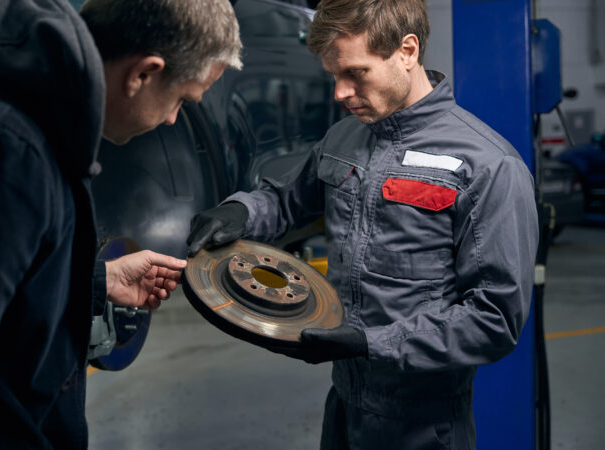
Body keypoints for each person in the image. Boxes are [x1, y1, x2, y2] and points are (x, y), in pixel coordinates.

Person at [0, 0, 241, 447]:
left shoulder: (30, 107)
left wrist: (94, 281)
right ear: (143, 73)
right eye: (182, 99)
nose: (173, 118)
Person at [187, 0, 538, 448]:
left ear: (407, 51)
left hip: (424, 428)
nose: (340, 92)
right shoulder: (344, 137)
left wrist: (371, 343)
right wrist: (240, 211)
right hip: (344, 408)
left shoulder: (488, 167)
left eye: (356, 73)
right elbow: (287, 200)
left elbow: (494, 321)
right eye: (334, 76)